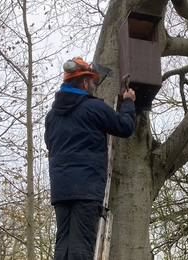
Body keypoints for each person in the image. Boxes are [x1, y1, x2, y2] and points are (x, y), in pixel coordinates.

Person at [44, 57, 136, 260]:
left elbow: (50, 145)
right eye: (92, 82)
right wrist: (128, 102)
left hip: (60, 189)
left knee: (63, 245)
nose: (93, 86)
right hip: (86, 188)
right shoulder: (93, 107)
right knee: (81, 247)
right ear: (85, 83)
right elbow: (124, 127)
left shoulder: (52, 116)